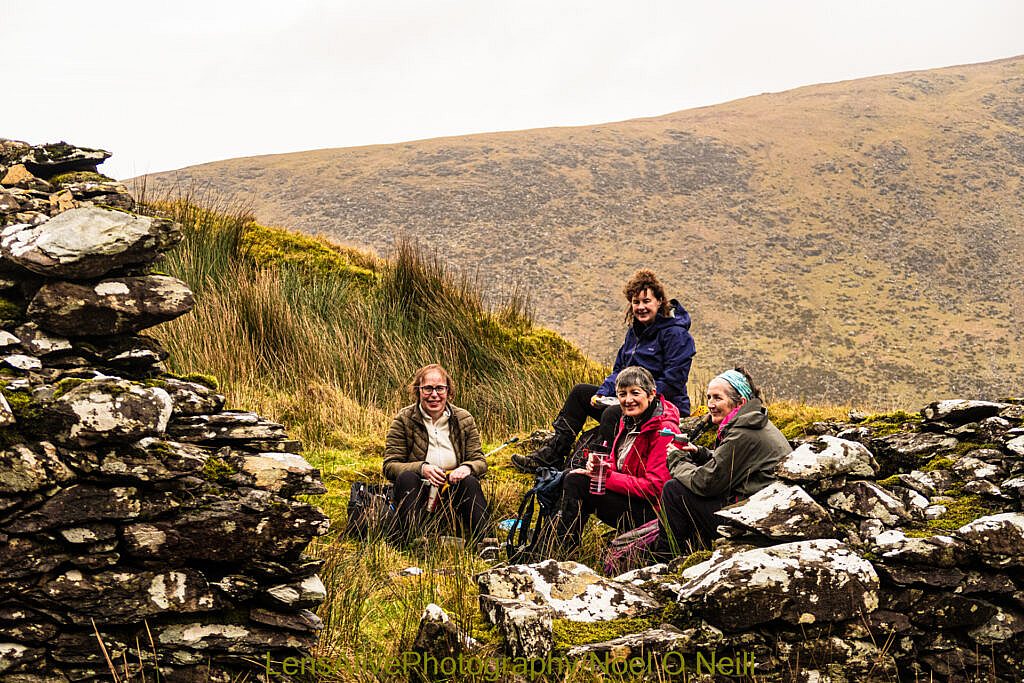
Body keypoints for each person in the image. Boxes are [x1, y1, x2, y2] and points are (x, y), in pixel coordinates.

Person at [511, 269, 695, 474]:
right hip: (629, 402)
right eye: (636, 302)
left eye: (646, 301)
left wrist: (633, 398)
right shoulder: (634, 333)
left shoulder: (676, 335)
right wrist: (604, 392)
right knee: (581, 393)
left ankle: (599, 467)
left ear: (659, 301)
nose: (640, 307)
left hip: (663, 407)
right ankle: (554, 453)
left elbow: (673, 382)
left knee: (611, 413)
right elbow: (619, 370)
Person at [656, 367, 792, 555]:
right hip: (762, 512)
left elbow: (706, 483)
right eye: (709, 397)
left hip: (752, 521)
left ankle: (666, 557)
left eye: (717, 398)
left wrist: (676, 459)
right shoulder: (752, 424)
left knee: (674, 491)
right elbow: (731, 464)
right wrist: (700, 453)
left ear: (740, 402)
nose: (711, 404)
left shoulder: (744, 432)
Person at [553, 366, 677, 553]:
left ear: (651, 394)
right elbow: (616, 461)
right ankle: (559, 545)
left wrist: (607, 476)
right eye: (622, 394)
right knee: (573, 477)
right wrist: (600, 467)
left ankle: (561, 551)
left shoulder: (664, 430)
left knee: (577, 482)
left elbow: (655, 488)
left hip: (653, 514)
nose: (628, 400)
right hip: (632, 499)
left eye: (635, 393)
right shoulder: (628, 419)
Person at [383, 364, 488, 543]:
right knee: (406, 478)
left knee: (470, 482)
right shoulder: (403, 419)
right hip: (419, 491)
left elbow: (480, 461)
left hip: (453, 490)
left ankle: (486, 543)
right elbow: (390, 466)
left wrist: (467, 468)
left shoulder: (464, 418)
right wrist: (422, 469)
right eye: (428, 388)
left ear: (448, 391)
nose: (434, 394)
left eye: (440, 388)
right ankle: (414, 541)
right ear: (418, 390)